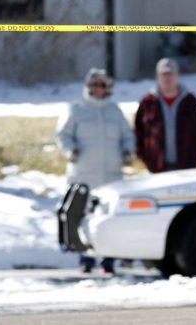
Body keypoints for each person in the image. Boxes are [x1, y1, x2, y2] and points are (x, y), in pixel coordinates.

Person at [56, 68, 135, 274]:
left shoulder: (115, 111)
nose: (99, 89)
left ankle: (108, 261)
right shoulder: (76, 109)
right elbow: (62, 135)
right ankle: (86, 259)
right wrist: (70, 150)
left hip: (111, 175)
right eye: (95, 85)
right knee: (83, 216)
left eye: (102, 85)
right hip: (83, 175)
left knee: (107, 218)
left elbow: (128, 135)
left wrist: (128, 151)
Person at [134, 58, 196, 173]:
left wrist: (195, 158)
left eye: (171, 74)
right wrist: (148, 160)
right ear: (157, 77)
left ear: (177, 76)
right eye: (164, 74)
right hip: (157, 170)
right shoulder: (147, 103)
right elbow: (137, 134)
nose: (167, 78)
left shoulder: (190, 102)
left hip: (187, 169)